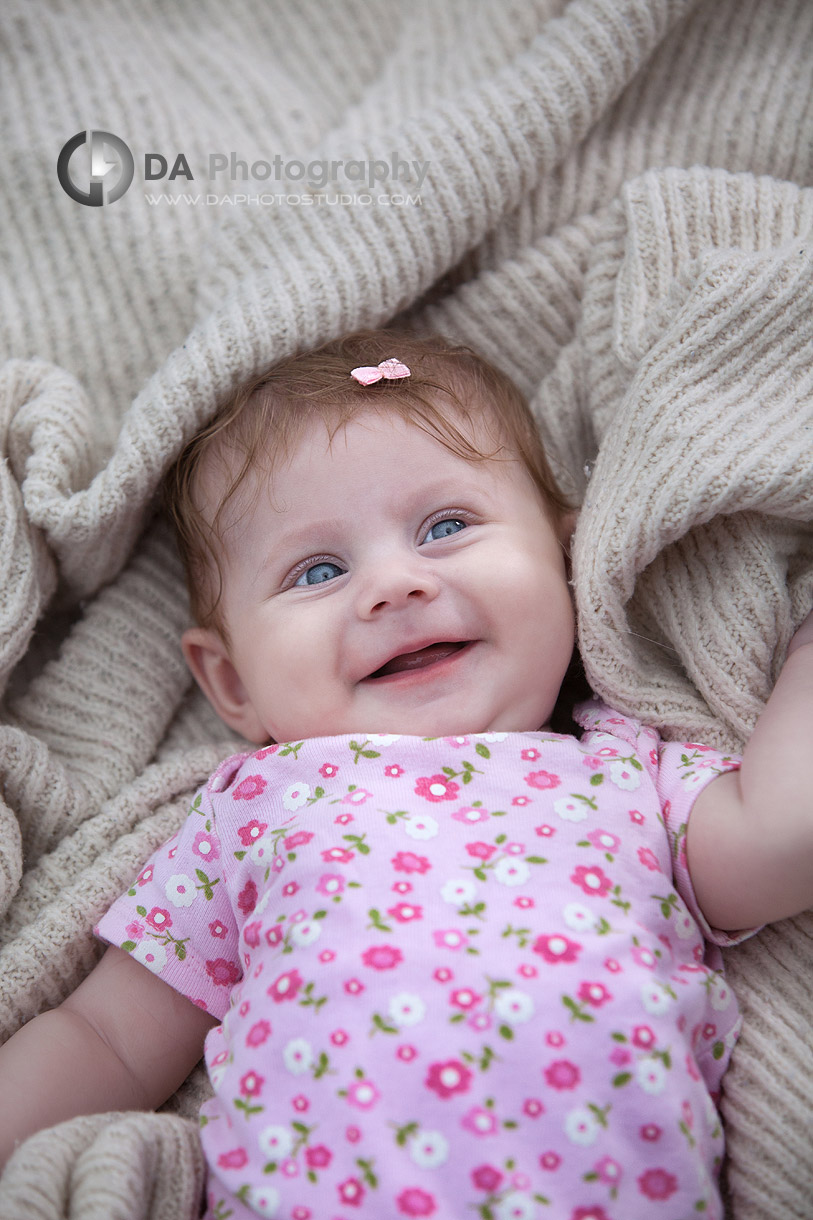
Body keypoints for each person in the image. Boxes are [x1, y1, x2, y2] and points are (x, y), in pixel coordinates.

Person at [0, 330, 811, 1220]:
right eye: (317, 570)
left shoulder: (627, 766)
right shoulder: (251, 808)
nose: (392, 584)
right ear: (232, 682)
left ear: (568, 569)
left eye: (446, 526)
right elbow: (107, 1037)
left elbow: (778, 836)